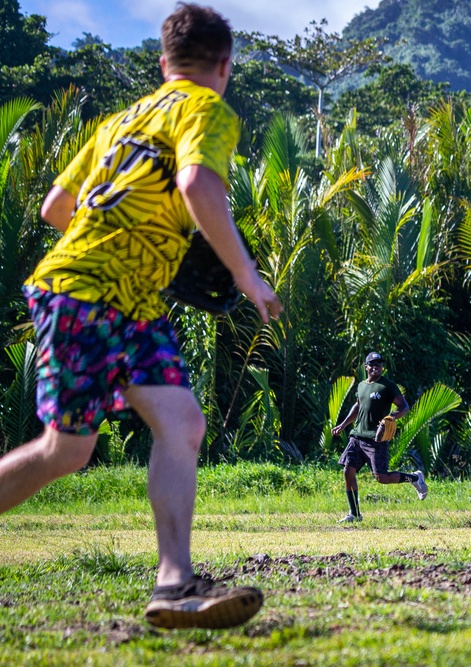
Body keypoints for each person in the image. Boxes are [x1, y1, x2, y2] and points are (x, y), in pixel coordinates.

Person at [2, 4, 283, 629]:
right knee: (66, 450)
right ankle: (174, 579)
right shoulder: (206, 109)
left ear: (163, 65)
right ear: (224, 66)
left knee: (182, 424)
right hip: (84, 293)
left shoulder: (120, 120)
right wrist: (248, 278)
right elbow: (197, 188)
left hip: (126, 300)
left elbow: (56, 207)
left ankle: (174, 584)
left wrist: (139, 248)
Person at [332, 352, 428, 522]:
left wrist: (390, 418)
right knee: (348, 470)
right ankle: (354, 514)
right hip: (357, 436)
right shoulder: (361, 385)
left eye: (379, 364)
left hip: (376, 439)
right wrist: (343, 424)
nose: (376, 366)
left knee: (382, 478)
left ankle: (415, 477)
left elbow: (404, 407)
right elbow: (358, 406)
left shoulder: (388, 386)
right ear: (366, 367)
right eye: (372, 363)